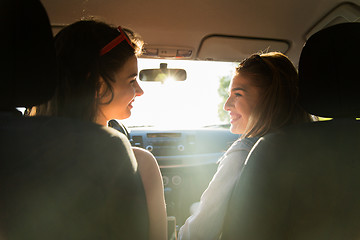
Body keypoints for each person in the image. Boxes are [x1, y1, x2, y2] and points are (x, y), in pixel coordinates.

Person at [32, 20, 167, 240]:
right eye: (132, 80)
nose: (139, 91)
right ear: (97, 85)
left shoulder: (19, 156)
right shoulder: (141, 165)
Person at [178, 52, 313, 240]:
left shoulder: (245, 153)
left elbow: (198, 234)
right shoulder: (323, 148)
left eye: (238, 94)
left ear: (269, 100)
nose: (226, 105)